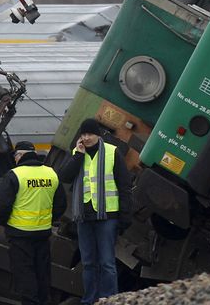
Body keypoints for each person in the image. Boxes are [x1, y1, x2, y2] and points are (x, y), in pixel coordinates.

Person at [60, 118, 133, 305]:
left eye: (90, 134)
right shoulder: (78, 152)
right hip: (84, 216)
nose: (86, 138)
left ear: (98, 135)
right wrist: (78, 155)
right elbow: (65, 177)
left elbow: (124, 185)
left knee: (107, 262)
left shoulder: (111, 152)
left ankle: (109, 299)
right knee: (88, 262)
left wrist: (125, 215)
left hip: (107, 216)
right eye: (83, 134)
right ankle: (89, 299)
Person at [0, 141, 66, 305]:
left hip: (19, 236)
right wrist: (47, 220)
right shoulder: (51, 173)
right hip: (43, 234)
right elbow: (61, 204)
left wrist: (5, 223)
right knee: (42, 276)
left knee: (25, 278)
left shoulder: (15, 175)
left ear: (19, 155)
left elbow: (0, 206)